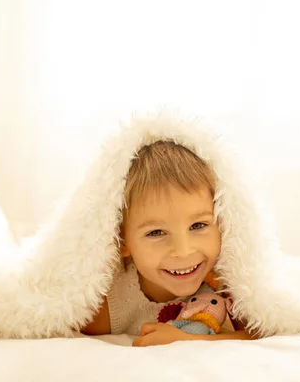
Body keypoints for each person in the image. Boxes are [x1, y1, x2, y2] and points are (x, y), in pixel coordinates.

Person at [81, 140, 254, 346]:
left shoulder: (227, 282)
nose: (183, 251)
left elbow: (259, 334)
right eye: (156, 232)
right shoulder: (103, 307)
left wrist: (187, 339)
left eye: (198, 225)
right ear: (121, 241)